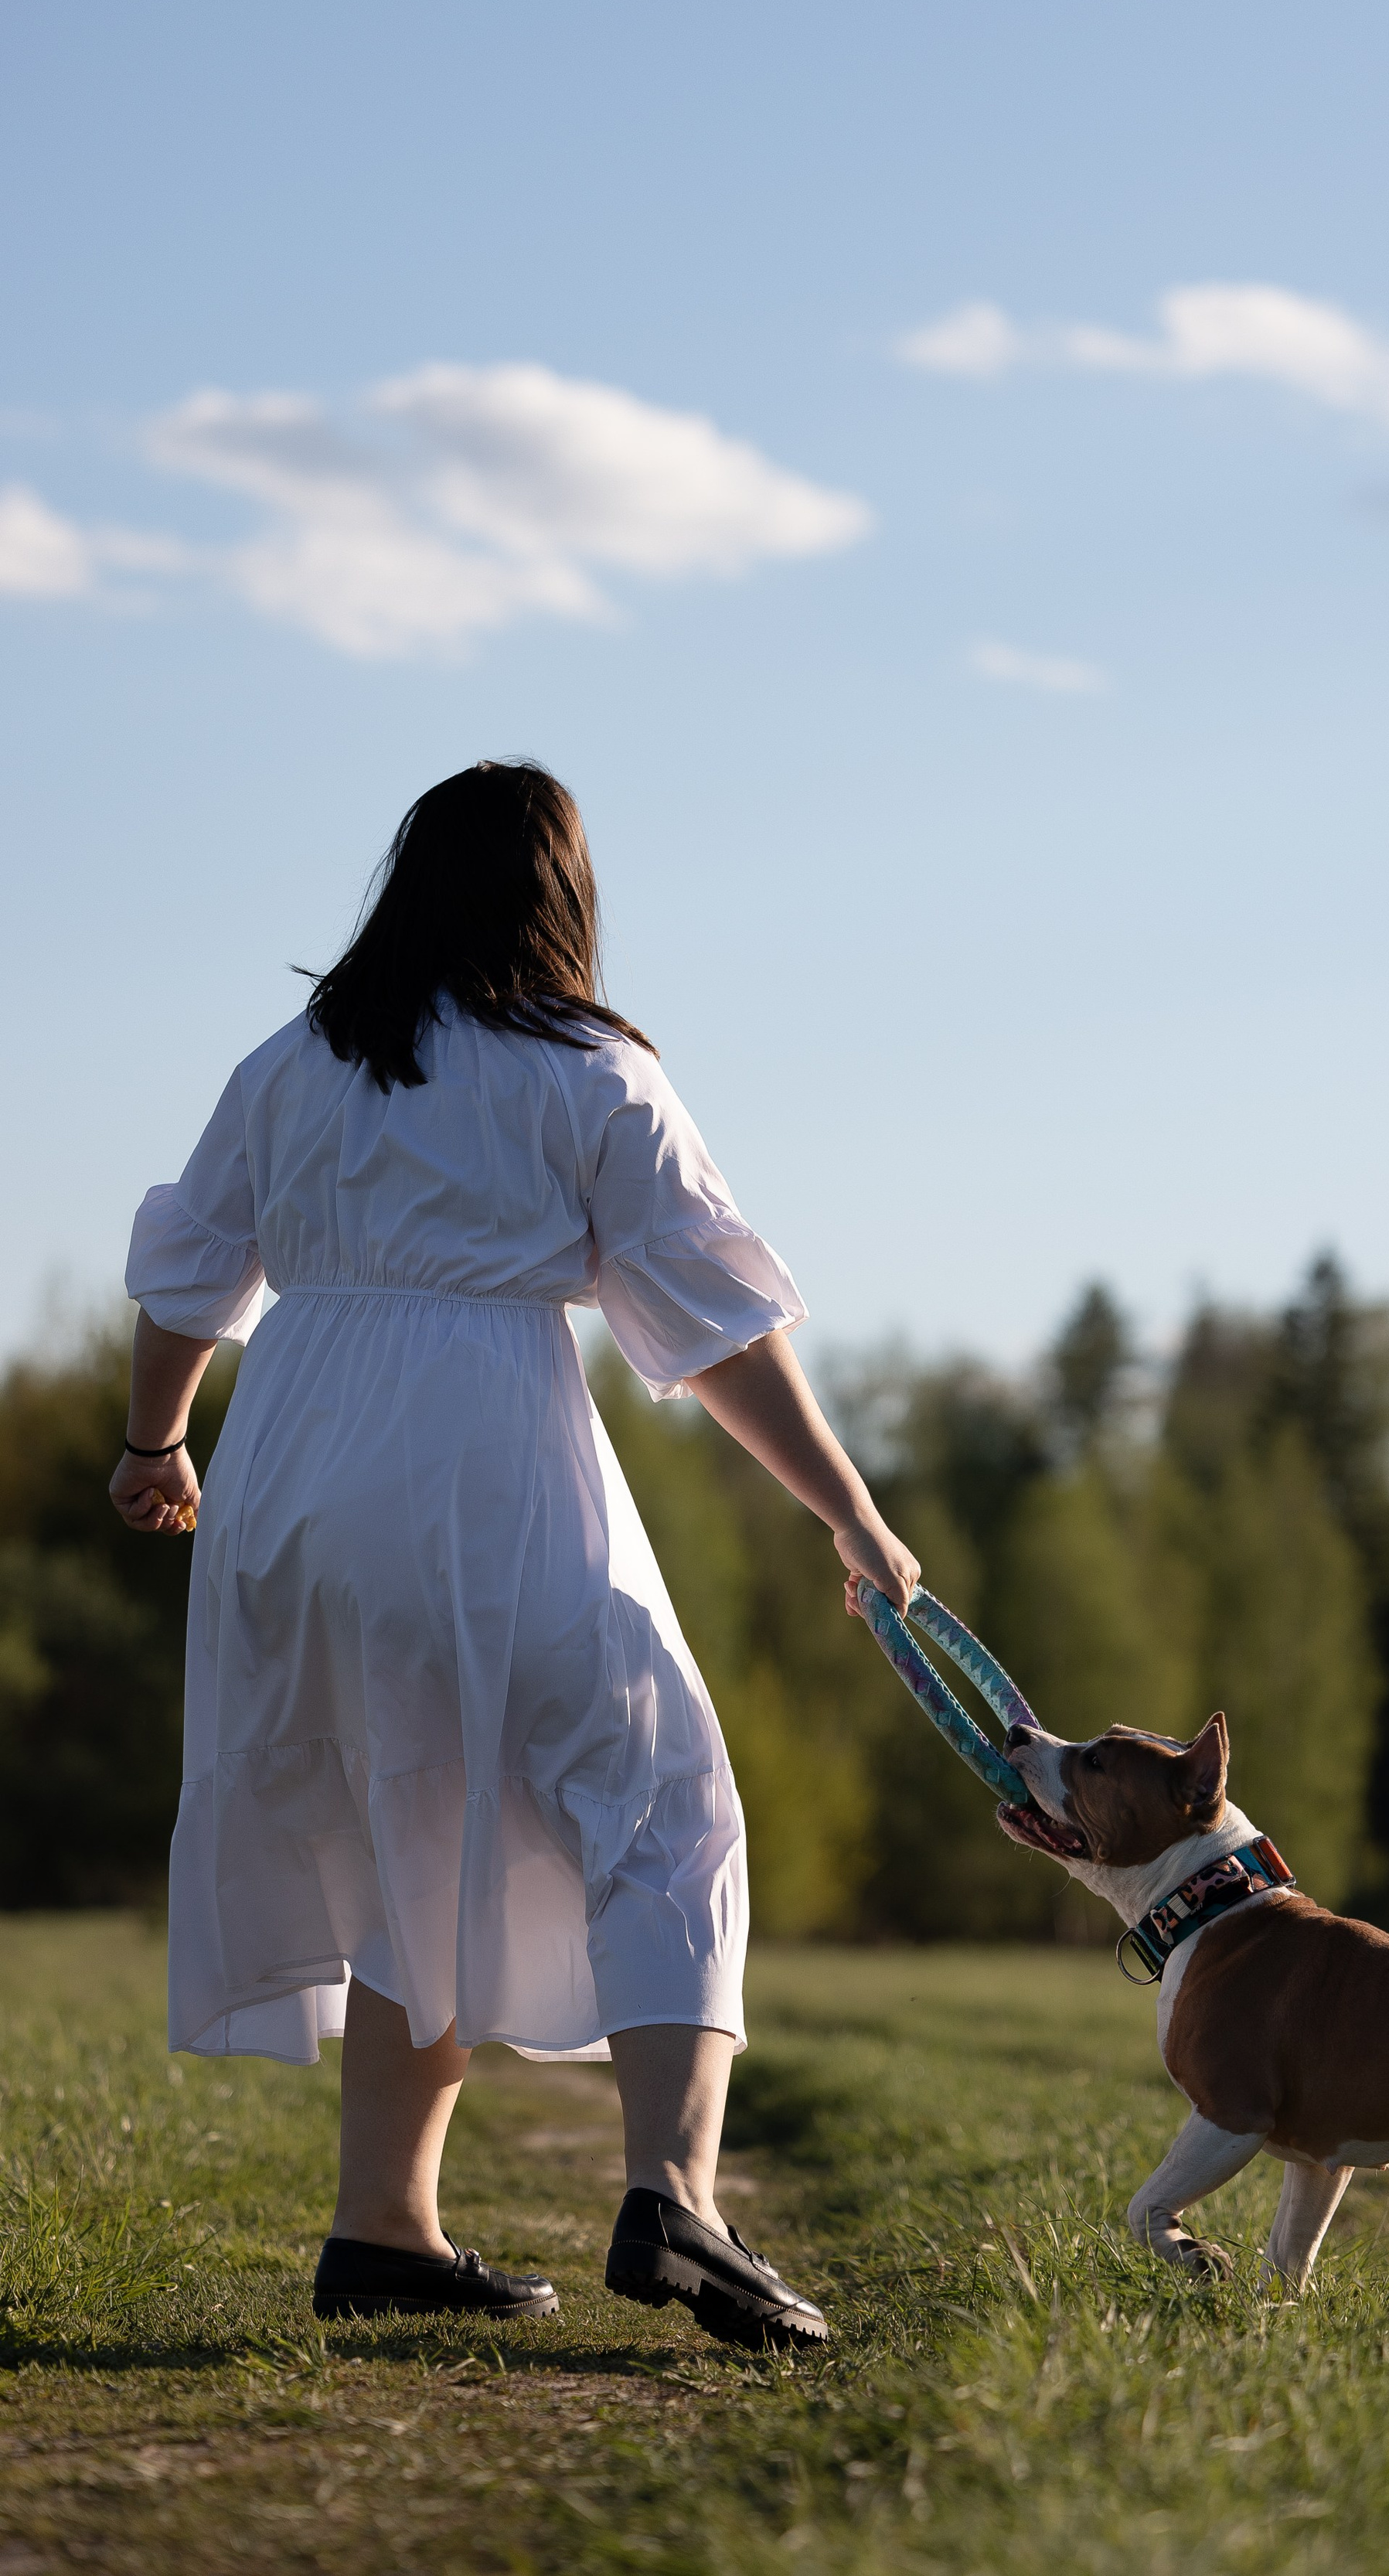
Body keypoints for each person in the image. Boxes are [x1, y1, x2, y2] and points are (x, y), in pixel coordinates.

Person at [108, 760, 919, 2350]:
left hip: (292, 1465)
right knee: (663, 1790)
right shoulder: (589, 1070)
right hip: (484, 1448)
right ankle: (674, 2191)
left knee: (411, 1809)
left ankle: (384, 2230)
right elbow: (715, 1318)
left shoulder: (295, 1061)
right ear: (561, 895)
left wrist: (154, 1441)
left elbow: (188, 1272)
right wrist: (847, 1504)